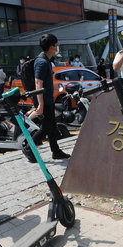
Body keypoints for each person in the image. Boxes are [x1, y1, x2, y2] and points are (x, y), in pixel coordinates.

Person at [30, 33, 70, 161]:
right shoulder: (41, 62)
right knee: (46, 128)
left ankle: (56, 151)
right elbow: (38, 83)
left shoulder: (46, 60)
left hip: (48, 100)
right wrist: (40, 105)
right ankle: (28, 148)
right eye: (56, 44)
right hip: (44, 102)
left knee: (52, 127)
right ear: (51, 47)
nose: (57, 47)